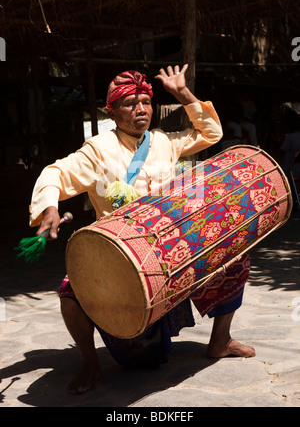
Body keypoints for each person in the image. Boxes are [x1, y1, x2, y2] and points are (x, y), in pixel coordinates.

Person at [29, 64, 255, 394]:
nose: (141, 110)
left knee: (235, 255)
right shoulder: (97, 151)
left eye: (146, 102)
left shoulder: (164, 142)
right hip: (122, 255)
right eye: (130, 103)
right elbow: (56, 173)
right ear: (112, 110)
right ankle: (91, 363)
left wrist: (182, 93)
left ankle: (220, 341)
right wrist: (50, 204)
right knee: (71, 292)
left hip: (172, 248)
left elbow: (211, 134)